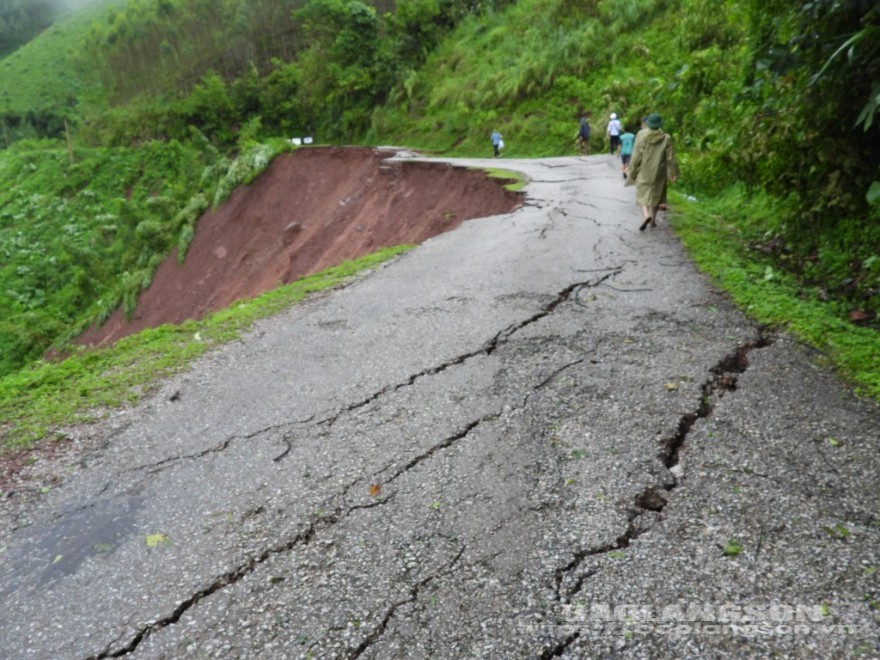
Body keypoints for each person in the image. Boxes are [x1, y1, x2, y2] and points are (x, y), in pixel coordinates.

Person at [625, 112, 679, 231]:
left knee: (642, 193)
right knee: (656, 194)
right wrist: (673, 173)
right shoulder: (666, 137)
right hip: (659, 171)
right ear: (660, 124)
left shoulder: (641, 134)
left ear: (648, 123)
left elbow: (636, 154)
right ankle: (653, 221)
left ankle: (646, 215)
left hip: (644, 169)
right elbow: (671, 157)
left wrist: (632, 170)